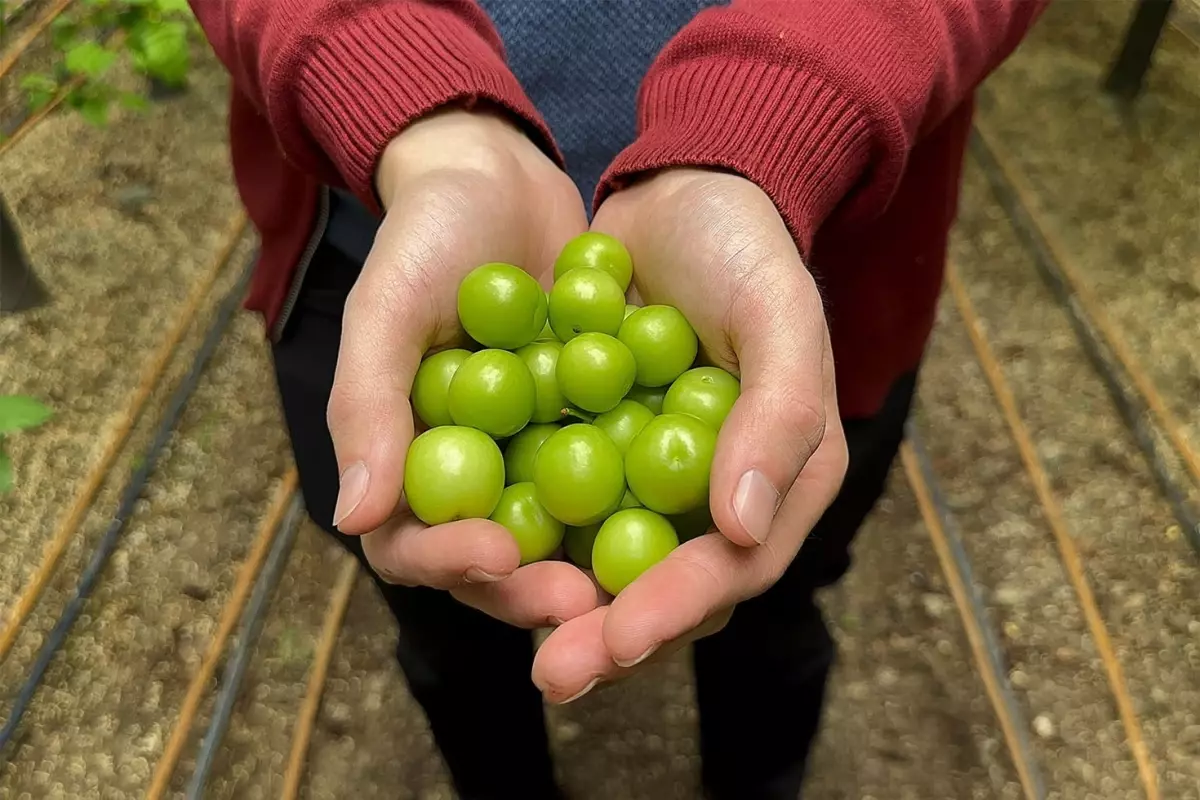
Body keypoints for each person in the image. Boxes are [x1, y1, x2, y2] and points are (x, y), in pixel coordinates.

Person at [192, 2, 1047, 797]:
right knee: (446, 615)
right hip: (389, 232)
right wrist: (391, 76)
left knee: (773, 597)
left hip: (806, 264)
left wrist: (782, 106)